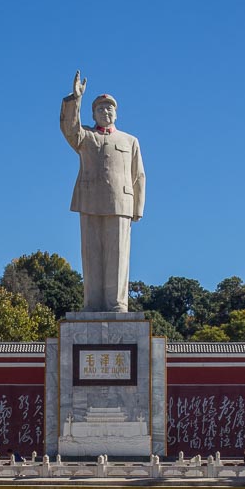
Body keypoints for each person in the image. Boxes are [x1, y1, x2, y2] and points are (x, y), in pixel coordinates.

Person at [60, 70, 146, 313]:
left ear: (116, 113)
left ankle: (116, 303)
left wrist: (137, 208)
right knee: (91, 254)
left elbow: (138, 175)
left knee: (117, 255)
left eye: (109, 109)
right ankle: (93, 303)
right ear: (93, 114)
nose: (105, 112)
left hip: (121, 203)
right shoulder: (86, 137)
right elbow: (69, 128)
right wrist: (74, 99)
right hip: (89, 200)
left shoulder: (130, 141)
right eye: (100, 109)